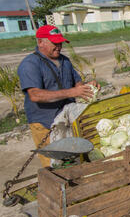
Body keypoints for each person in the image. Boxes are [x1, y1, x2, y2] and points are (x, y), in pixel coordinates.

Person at [17, 25, 99, 167]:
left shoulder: (64, 61)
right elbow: (35, 95)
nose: (58, 46)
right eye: (54, 43)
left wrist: (86, 87)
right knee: (54, 166)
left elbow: (76, 83)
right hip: (45, 123)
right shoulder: (30, 64)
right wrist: (72, 92)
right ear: (40, 42)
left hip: (67, 120)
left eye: (60, 43)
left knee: (74, 161)